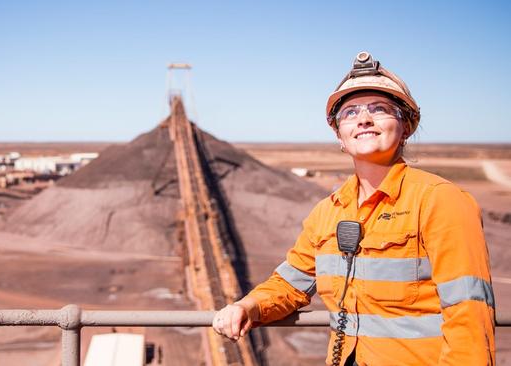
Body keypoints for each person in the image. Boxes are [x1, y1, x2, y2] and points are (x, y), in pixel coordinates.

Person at [212, 51, 496, 365]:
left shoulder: (440, 201)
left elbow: (468, 315)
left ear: (406, 127)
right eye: (350, 112)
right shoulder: (328, 212)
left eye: (380, 109)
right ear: (339, 135)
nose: (363, 119)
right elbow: (290, 284)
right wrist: (248, 306)